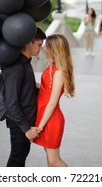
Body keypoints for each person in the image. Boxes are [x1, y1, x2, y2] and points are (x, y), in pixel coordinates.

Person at [3, 27, 47, 167]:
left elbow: (19, 90)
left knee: (20, 158)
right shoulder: (17, 68)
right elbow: (11, 103)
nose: (41, 48)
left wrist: (33, 86)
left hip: (25, 122)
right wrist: (26, 129)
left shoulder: (25, 64)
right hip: (20, 125)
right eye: (39, 45)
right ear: (28, 43)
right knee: (17, 160)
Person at [33, 34, 75, 167]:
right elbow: (46, 89)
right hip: (44, 115)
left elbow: (52, 103)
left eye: (47, 47)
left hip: (50, 119)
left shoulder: (59, 72)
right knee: (50, 160)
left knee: (54, 161)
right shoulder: (53, 66)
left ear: (55, 49)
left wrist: (40, 126)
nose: (44, 49)